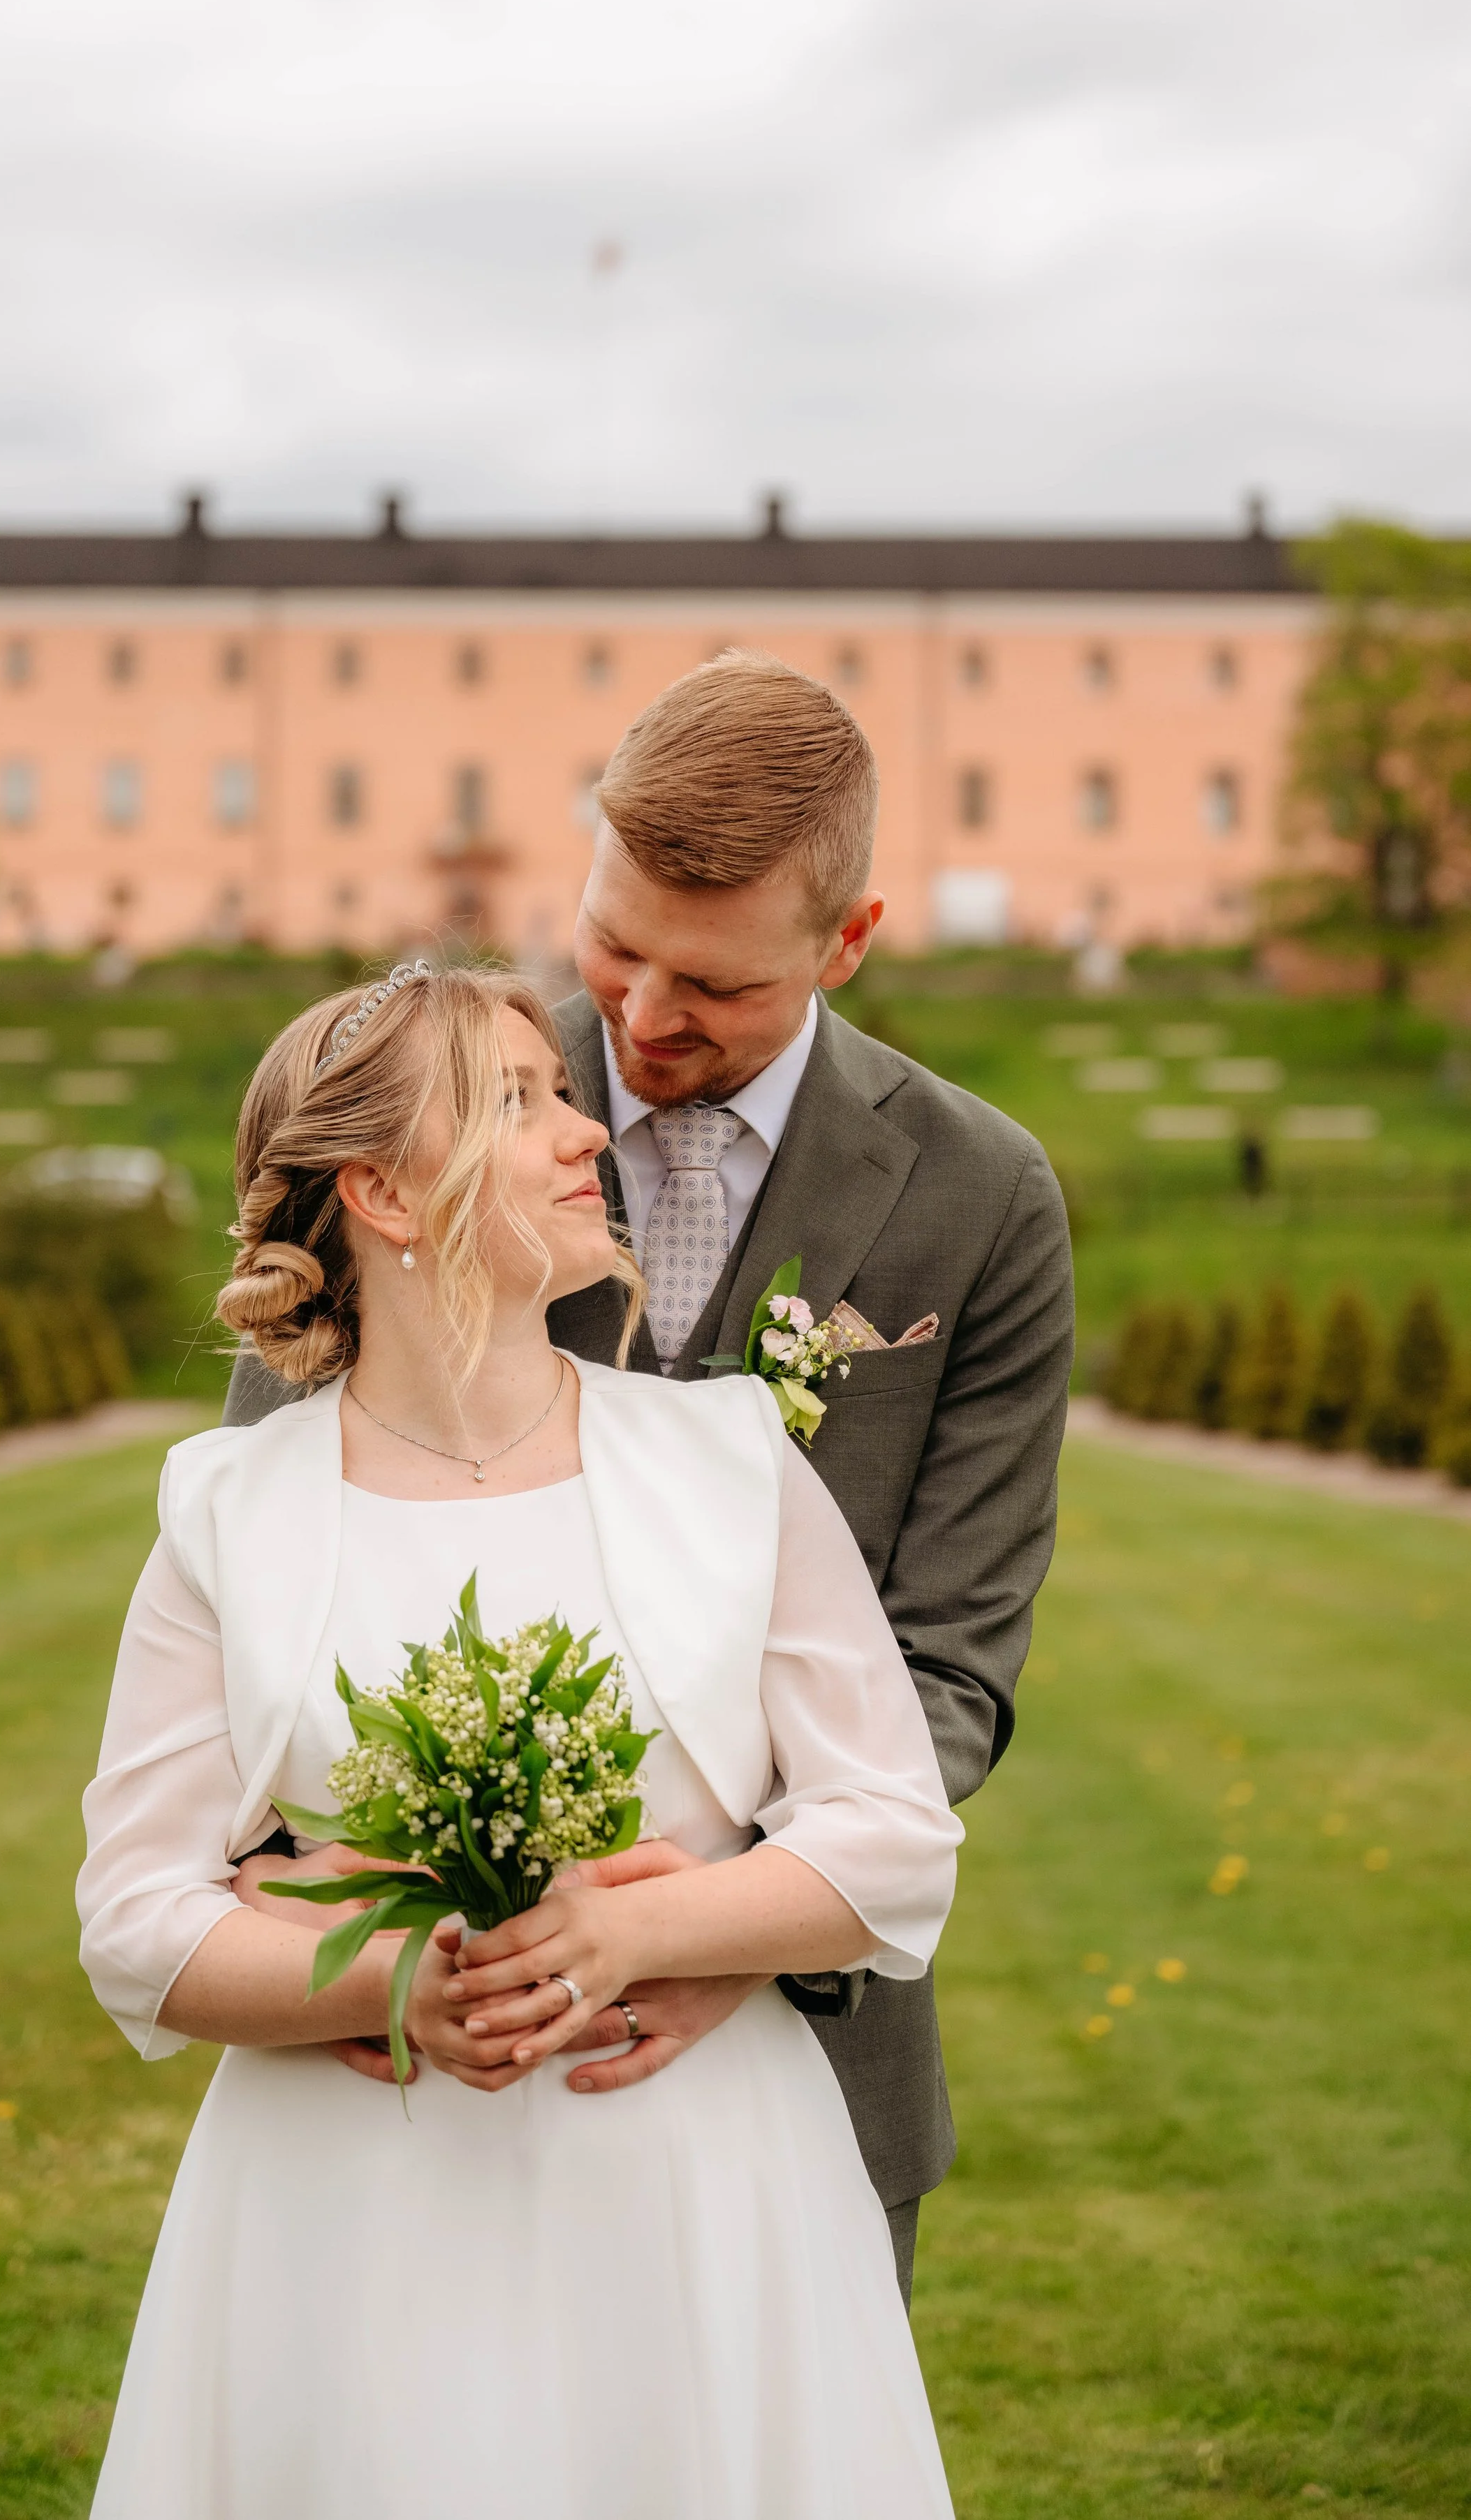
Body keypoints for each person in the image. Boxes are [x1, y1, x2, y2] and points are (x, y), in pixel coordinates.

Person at [225, 652, 1075, 2303]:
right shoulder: (411, 1109)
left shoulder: (980, 1197)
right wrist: (339, 1913)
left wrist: (729, 1926)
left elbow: (949, 1665)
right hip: (410, 2027)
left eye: (714, 983)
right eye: (610, 945)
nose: (636, 1014)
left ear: (846, 942)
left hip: (795, 2056)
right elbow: (267, 1549)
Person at [79, 964, 963, 2519]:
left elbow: (891, 1832)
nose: (585, 1136)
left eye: (562, 1096)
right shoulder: (229, 1512)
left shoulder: (725, 1457)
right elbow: (134, 1920)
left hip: (696, 2183)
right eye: (516, 1101)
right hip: (344, 2213)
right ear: (381, 1194)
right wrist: (390, 1977)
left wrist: (626, 1932)